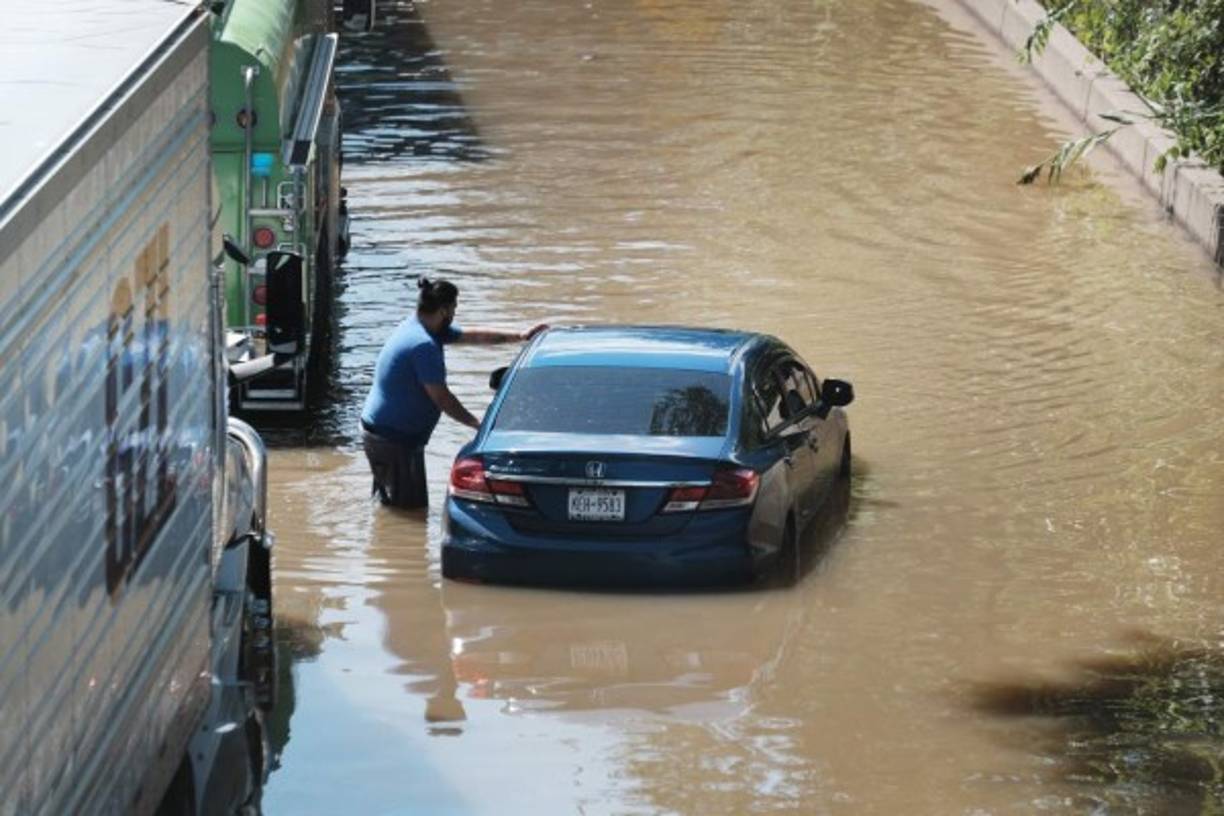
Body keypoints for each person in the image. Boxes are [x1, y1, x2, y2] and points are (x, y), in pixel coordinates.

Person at [360, 277, 546, 508]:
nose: (454, 315)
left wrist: (520, 336)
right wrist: (477, 423)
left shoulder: (419, 327)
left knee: (392, 513)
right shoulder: (423, 345)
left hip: (385, 436)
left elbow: (474, 336)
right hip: (393, 441)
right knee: (411, 512)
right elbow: (442, 398)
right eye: (454, 308)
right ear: (443, 310)